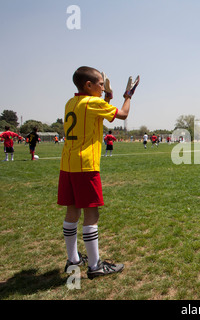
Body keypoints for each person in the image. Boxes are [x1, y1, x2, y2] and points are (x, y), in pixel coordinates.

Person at [58, 66, 139, 279]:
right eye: (101, 85)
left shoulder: (71, 102)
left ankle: (73, 260)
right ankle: (95, 266)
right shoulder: (92, 103)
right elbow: (122, 115)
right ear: (88, 85)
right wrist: (127, 96)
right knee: (91, 214)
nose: (103, 89)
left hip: (67, 164)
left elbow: (100, 111)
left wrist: (109, 96)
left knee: (72, 211)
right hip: (86, 165)